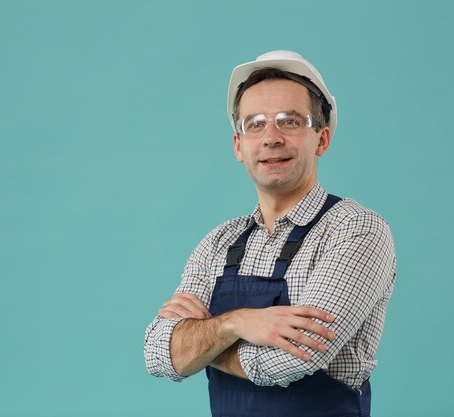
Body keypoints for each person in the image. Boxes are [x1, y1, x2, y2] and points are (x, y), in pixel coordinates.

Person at [144, 50, 396, 417]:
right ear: (239, 147)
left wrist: (202, 343)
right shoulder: (219, 242)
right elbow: (158, 354)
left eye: (290, 121)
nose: (271, 137)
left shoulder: (355, 229)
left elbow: (291, 360)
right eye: (255, 123)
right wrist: (238, 322)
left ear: (321, 140)